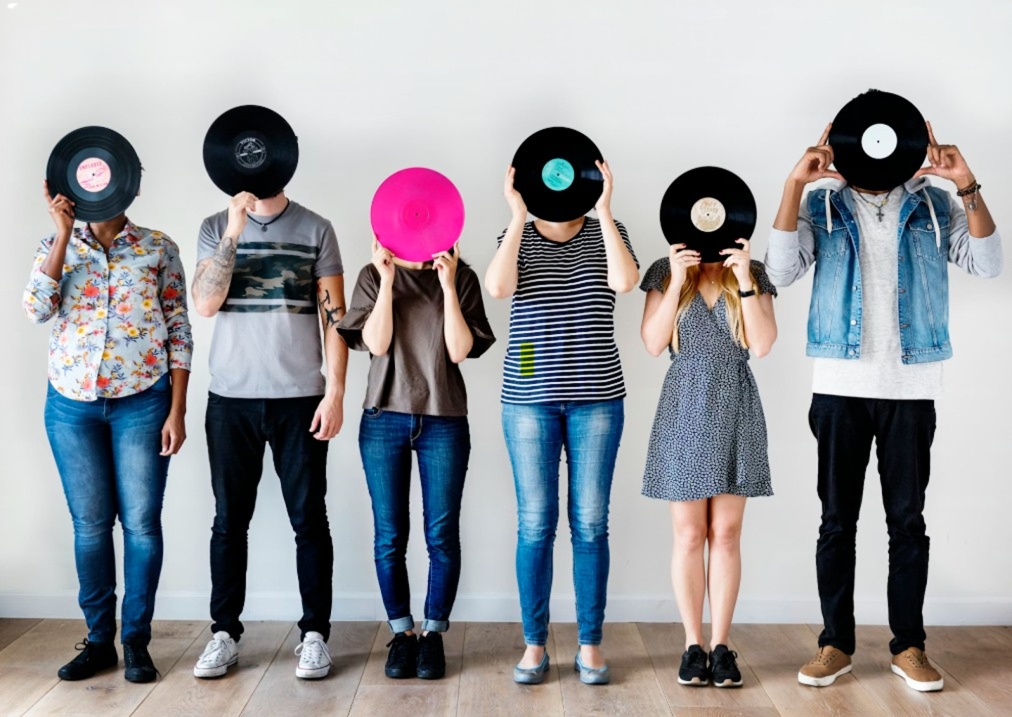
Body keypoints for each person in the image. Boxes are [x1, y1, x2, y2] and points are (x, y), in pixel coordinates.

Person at [765, 105, 1003, 693]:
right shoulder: (822, 205)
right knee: (836, 522)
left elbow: (989, 262)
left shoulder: (932, 203)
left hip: (911, 387)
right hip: (839, 387)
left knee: (908, 522)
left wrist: (966, 181)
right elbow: (780, 267)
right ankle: (834, 645)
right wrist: (796, 183)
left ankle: (910, 646)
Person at [23, 180, 192, 684]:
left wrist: (177, 410)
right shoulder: (56, 245)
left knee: (141, 523)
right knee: (90, 525)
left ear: (130, 187)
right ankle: (99, 642)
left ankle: (135, 641)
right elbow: (36, 309)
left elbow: (179, 329)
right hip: (71, 406)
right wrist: (60, 234)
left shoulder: (158, 247)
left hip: (143, 402)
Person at [485, 161, 639, 685]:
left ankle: (590, 644)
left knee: (591, 524)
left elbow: (625, 282)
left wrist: (605, 210)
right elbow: (499, 288)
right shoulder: (516, 233)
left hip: (597, 399)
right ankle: (534, 644)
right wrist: (518, 216)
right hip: (528, 398)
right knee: (535, 524)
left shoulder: (607, 231)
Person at [189, 189, 348, 680]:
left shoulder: (316, 227)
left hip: (300, 397)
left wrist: (336, 392)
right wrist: (234, 231)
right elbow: (206, 304)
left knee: (309, 518)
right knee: (229, 521)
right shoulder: (216, 226)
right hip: (231, 398)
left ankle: (314, 636)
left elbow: (335, 319)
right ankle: (223, 634)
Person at [338, 237, 494, 680]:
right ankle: (402, 633)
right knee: (390, 534)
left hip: (443, 419)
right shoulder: (373, 275)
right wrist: (387, 282)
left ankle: (433, 635)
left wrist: (446, 287)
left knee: (441, 534)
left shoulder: (460, 276)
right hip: (383, 417)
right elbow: (377, 343)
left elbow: (459, 350)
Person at [640, 235, 777, 688]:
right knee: (689, 533)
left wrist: (745, 278)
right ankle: (692, 645)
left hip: (736, 404)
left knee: (727, 534)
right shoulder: (666, 269)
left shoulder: (750, 272)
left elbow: (762, 345)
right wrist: (678, 277)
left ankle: (721, 646)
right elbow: (654, 344)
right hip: (684, 407)